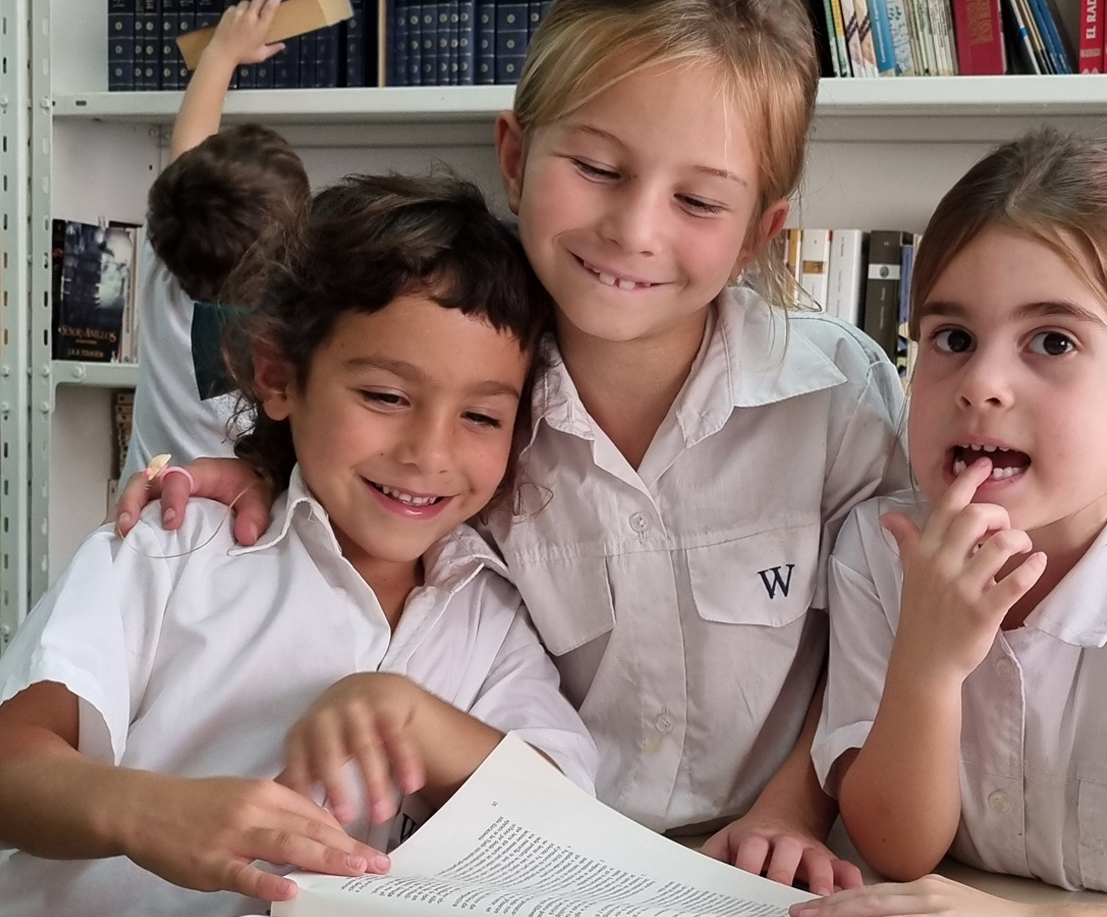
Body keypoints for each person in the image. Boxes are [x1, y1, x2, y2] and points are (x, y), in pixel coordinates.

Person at [116, 0, 910, 894]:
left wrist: (792, 808)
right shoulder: (470, 411)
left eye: (696, 199)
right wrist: (273, 463)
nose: (635, 229)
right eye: (598, 167)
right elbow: (377, 476)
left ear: (760, 233)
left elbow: (878, 638)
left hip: (789, 862)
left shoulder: (837, 395)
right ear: (515, 157)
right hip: (544, 863)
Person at [0, 173, 597, 917]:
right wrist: (143, 811)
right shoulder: (176, 548)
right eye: (386, 396)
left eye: (481, 415)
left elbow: (569, 821)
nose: (428, 451)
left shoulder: (489, 615)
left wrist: (413, 717)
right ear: (279, 374)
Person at [803, 128, 1107, 917]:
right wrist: (927, 664)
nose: (981, 383)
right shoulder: (879, 547)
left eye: (1051, 341)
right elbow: (895, 847)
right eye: (951, 338)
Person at [121, 0, 308, 480]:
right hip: (242, 518)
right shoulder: (298, 320)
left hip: (151, 512)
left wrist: (220, 53)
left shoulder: (171, 254)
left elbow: (189, 144)